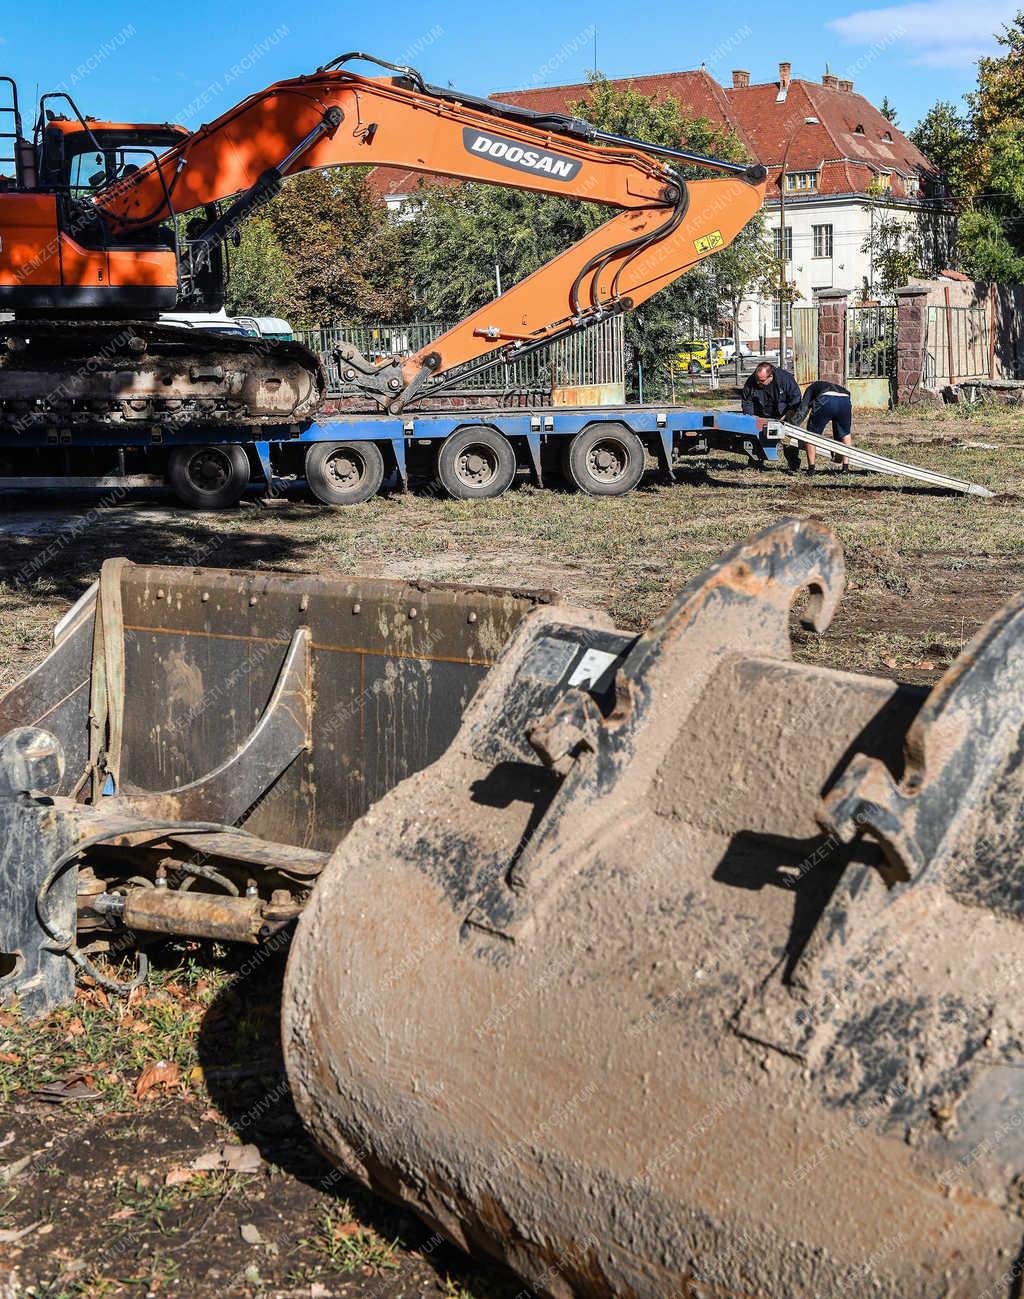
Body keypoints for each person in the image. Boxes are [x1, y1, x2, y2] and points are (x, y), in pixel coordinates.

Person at [740, 362, 803, 469]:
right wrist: (750, 417)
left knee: (788, 440)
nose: (758, 382)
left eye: (762, 381)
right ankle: (755, 463)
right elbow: (747, 401)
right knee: (756, 438)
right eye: (757, 379)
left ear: (771, 376)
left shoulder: (785, 379)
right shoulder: (752, 381)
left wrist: (790, 415)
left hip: (783, 413)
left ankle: (793, 464)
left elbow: (796, 397)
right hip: (761, 413)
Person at [789, 379, 854, 474]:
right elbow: (837, 427)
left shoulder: (810, 389)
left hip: (825, 399)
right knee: (845, 433)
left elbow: (803, 409)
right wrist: (837, 441)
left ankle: (811, 469)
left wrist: (792, 426)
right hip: (845, 399)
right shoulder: (836, 386)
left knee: (811, 434)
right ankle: (845, 468)